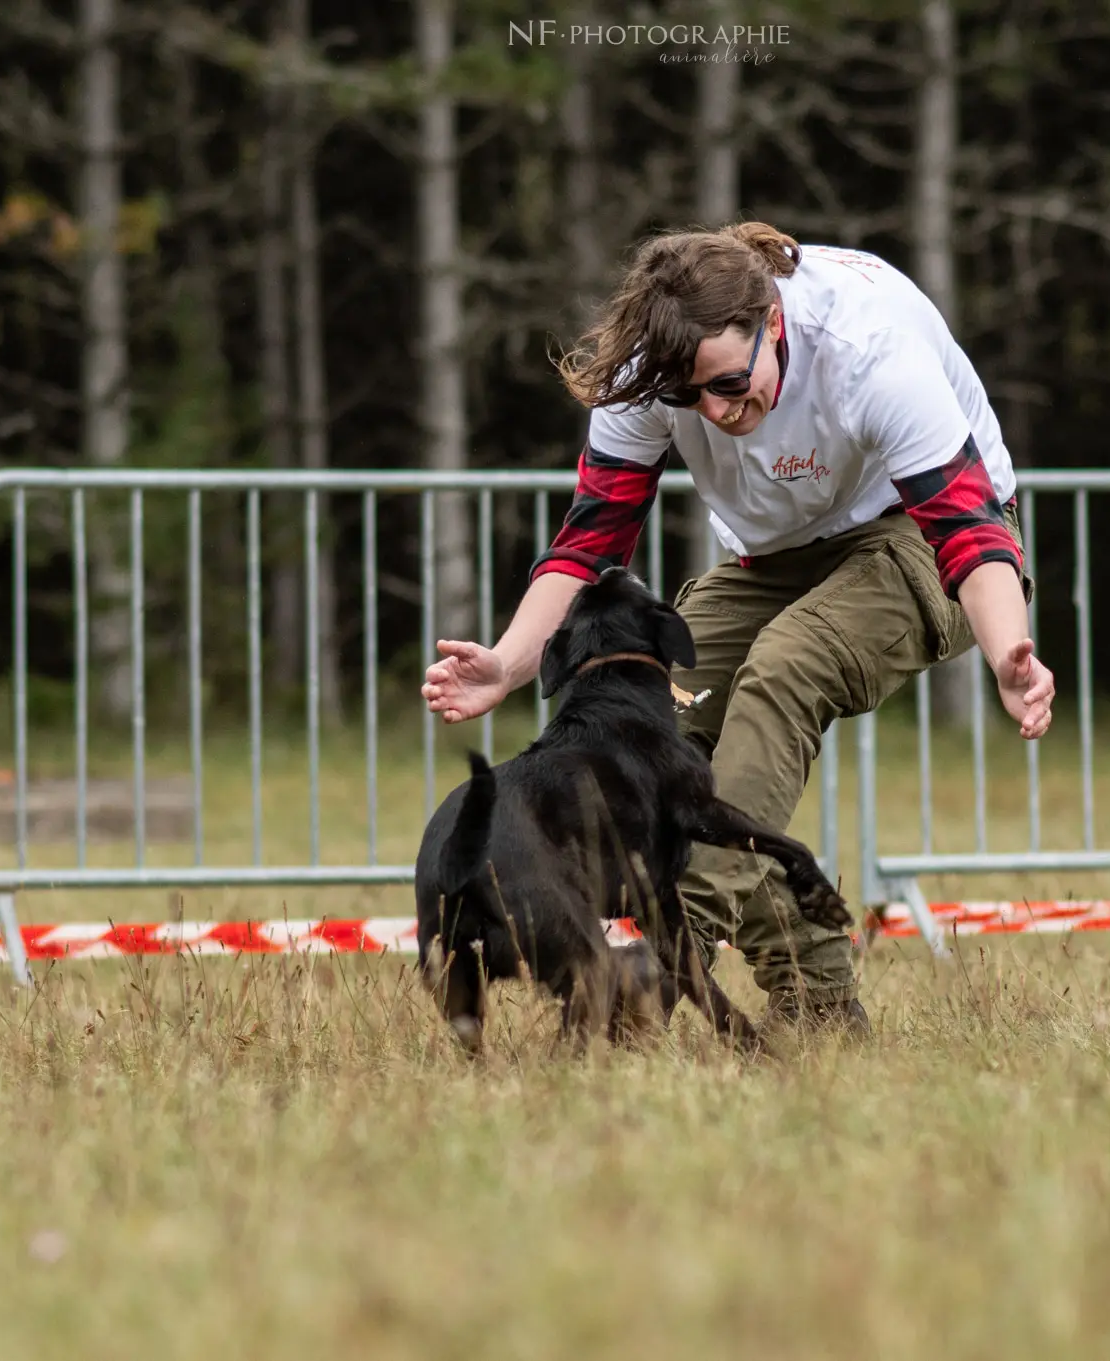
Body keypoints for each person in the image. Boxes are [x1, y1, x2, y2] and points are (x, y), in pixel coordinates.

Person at [420, 221, 1054, 1034]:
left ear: (774, 325)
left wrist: (1007, 650)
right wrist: (509, 663)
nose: (713, 412)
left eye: (725, 384)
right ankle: (819, 1001)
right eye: (688, 398)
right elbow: (590, 540)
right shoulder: (654, 373)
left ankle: (667, 943)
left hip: (923, 538)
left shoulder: (868, 349)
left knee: (787, 667)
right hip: (775, 556)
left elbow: (966, 527)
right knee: (647, 723)